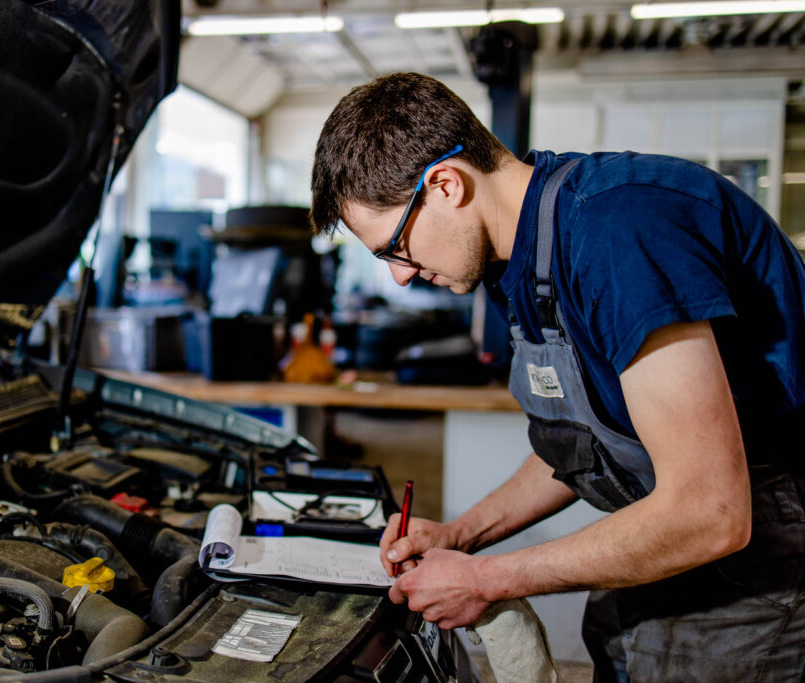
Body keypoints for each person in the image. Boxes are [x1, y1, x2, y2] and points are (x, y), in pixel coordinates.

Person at [309, 72, 805, 680]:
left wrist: (486, 579)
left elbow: (710, 511)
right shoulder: (515, 257)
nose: (400, 278)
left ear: (445, 185)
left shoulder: (619, 232)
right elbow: (584, 444)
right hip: (663, 529)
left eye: (395, 248)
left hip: (761, 551)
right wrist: (460, 537)